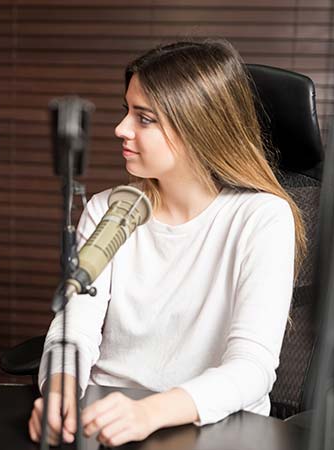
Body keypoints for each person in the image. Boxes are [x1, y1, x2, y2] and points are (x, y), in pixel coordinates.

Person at [29, 39, 305, 446]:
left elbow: (252, 367)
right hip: (108, 419)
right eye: (127, 111)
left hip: (211, 429)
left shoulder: (261, 218)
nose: (120, 128)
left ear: (198, 126)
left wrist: (149, 412)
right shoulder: (112, 209)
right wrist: (60, 389)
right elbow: (74, 329)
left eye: (144, 118)